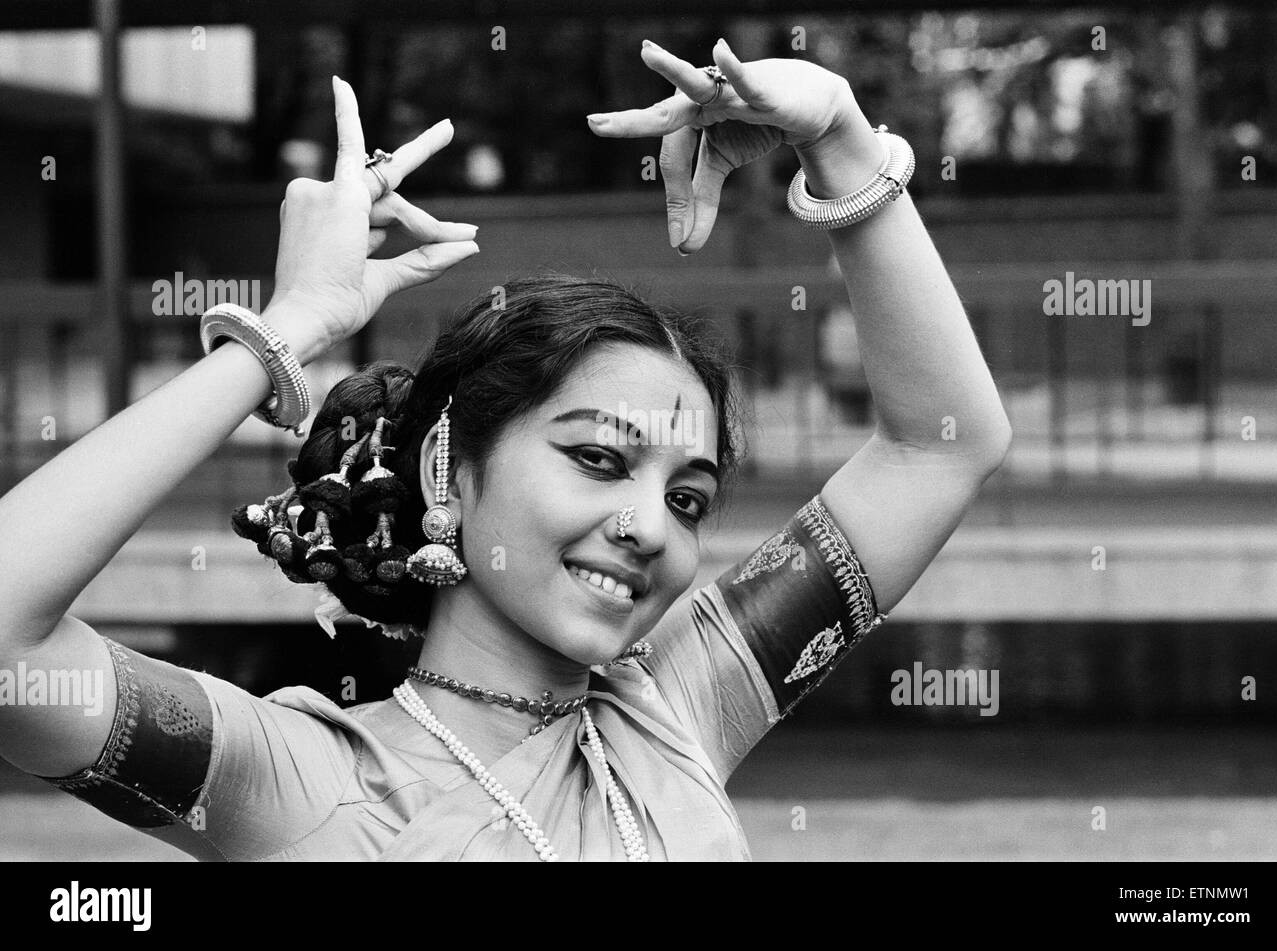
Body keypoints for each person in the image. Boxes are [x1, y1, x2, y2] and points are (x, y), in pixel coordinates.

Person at [0, 38, 1011, 861]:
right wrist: (288, 330)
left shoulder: (679, 708)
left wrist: (836, 137)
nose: (645, 527)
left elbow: (942, 446)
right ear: (448, 469)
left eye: (689, 498)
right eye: (600, 461)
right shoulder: (299, 777)